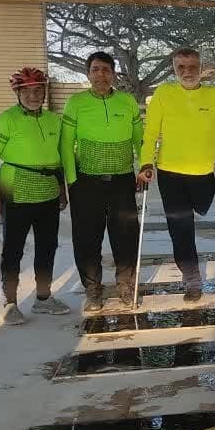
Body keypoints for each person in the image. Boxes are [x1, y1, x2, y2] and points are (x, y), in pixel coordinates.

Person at [136, 48, 215, 302]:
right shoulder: (164, 93)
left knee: (200, 209)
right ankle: (192, 277)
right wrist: (146, 163)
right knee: (180, 227)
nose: (187, 72)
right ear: (174, 69)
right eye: (181, 67)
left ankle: (190, 269)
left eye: (192, 67)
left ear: (201, 68)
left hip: (203, 174)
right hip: (170, 174)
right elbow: (150, 134)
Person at [0, 67, 71, 324]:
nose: (33, 96)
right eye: (27, 91)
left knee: (47, 246)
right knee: (13, 248)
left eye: (38, 90)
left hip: (47, 190)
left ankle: (43, 298)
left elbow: (59, 158)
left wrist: (62, 190)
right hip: (16, 189)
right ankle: (10, 302)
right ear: (17, 93)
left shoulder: (54, 120)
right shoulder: (6, 119)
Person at [61, 52, 143, 312]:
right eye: (95, 70)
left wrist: (144, 167)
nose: (101, 75)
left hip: (122, 180)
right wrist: (72, 180)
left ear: (113, 74)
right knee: (87, 238)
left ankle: (125, 285)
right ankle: (93, 290)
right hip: (86, 182)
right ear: (88, 74)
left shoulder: (127, 101)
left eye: (106, 70)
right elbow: (65, 144)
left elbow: (139, 139)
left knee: (126, 235)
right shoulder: (76, 102)